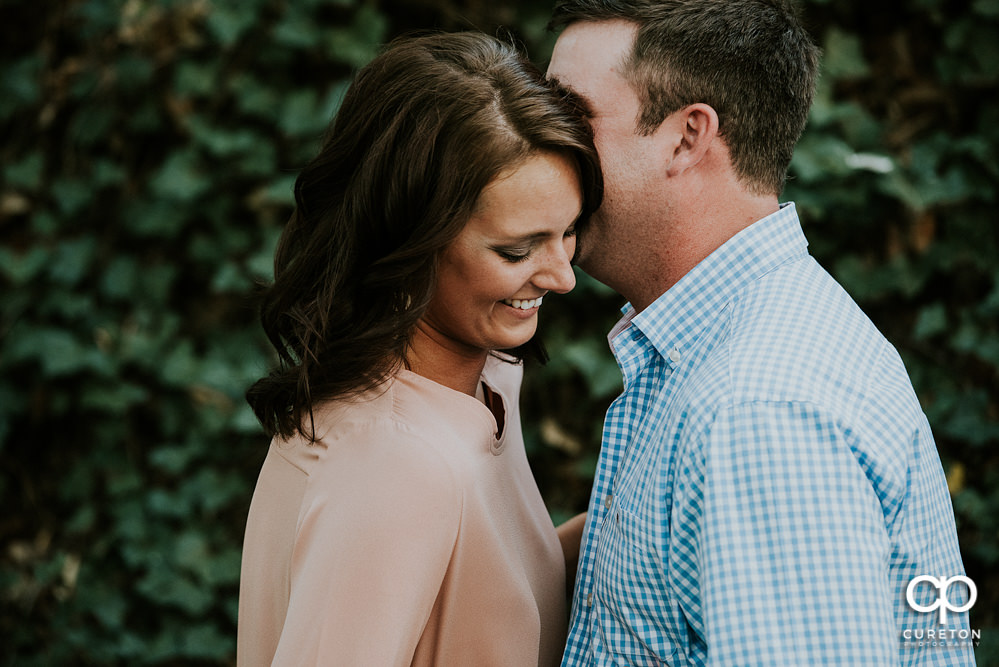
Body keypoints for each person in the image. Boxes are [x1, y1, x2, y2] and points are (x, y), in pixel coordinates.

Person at [546, 1, 976, 665]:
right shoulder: (723, 349)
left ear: (686, 136)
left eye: (571, 116)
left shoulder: (756, 408)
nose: (541, 144)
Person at [236, 31, 601, 666]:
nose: (563, 275)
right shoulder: (400, 464)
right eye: (517, 250)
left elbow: (497, 587)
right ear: (409, 243)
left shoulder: (481, 382)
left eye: (568, 233)